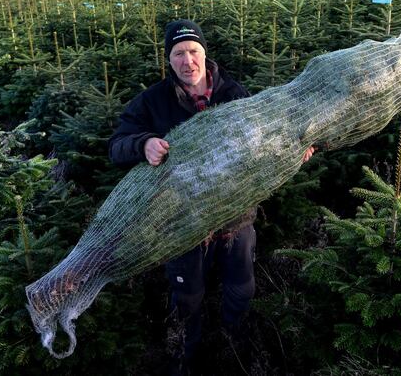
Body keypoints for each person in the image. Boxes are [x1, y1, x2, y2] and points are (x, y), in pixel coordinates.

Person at [108, 19, 314, 373]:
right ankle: (188, 353)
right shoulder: (153, 102)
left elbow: (266, 136)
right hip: (181, 222)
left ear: (205, 54)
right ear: (168, 60)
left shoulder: (233, 93)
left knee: (242, 286)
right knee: (187, 295)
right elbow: (115, 147)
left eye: (193, 51)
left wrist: (295, 148)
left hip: (236, 216)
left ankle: (234, 341)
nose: (187, 61)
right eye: (178, 54)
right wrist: (143, 144)